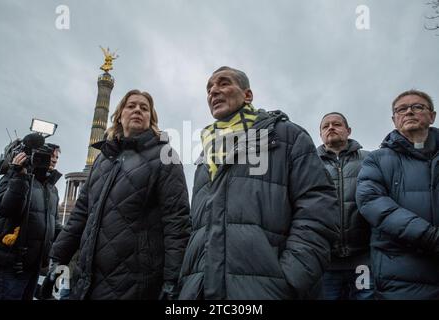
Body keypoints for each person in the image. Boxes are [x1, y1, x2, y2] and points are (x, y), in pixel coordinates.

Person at [178, 66, 339, 300]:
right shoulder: (204, 156)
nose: (214, 91)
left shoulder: (287, 136)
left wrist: (289, 280)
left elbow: (318, 210)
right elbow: (198, 228)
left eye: (223, 83)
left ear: (248, 95)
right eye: (209, 88)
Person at [45, 89, 191, 300]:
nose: (137, 110)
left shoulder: (165, 157)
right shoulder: (102, 160)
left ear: (151, 118)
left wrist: (172, 281)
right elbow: (80, 215)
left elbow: (176, 222)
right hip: (85, 280)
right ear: (119, 115)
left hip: (134, 283)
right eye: (131, 106)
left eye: (144, 108)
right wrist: (57, 258)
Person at [356, 89, 439, 299]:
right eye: (402, 109)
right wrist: (429, 236)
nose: (409, 112)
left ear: (432, 116)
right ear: (394, 120)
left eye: (418, 107)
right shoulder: (376, 159)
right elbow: (370, 201)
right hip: (400, 274)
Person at [0, 144, 62, 300]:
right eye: (50, 156)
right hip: (9, 264)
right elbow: (5, 209)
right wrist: (20, 175)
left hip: (33, 266)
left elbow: (54, 224)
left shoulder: (51, 188)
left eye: (57, 157)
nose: (54, 160)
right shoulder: (12, 177)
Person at [317, 112, 373, 300]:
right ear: (320, 135)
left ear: (348, 131)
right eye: (326, 126)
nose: (331, 128)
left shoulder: (369, 159)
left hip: (363, 260)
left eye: (336, 124)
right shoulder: (309, 163)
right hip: (326, 262)